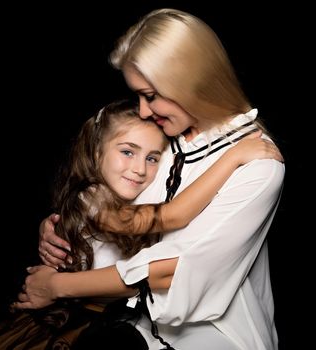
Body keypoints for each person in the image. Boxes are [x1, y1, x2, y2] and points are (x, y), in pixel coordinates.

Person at [15, 8, 285, 350]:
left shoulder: (260, 165)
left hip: (209, 337)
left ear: (189, 83)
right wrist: (63, 230)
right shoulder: (164, 133)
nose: (143, 110)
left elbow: (172, 270)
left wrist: (58, 286)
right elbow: (122, 211)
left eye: (151, 96)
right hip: (124, 321)